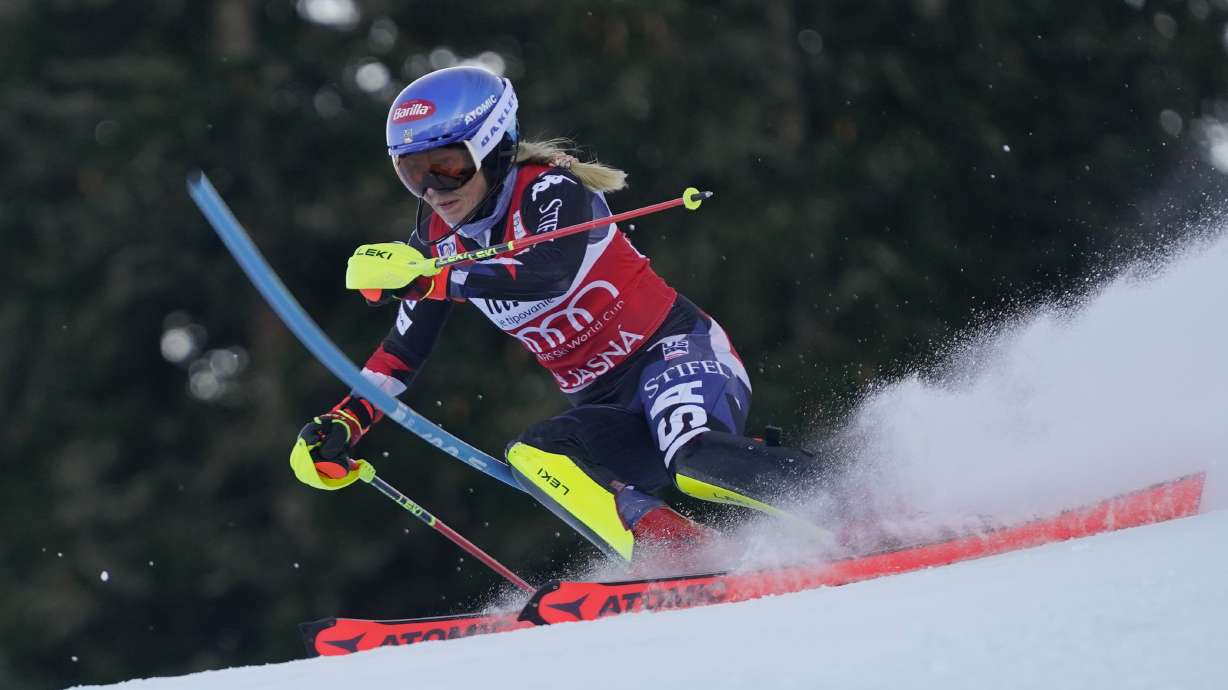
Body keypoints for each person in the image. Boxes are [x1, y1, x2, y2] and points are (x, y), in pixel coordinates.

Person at [288, 65, 829, 565]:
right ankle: (683, 560)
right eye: (413, 174)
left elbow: (550, 273)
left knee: (694, 459)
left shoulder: (549, 190)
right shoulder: (436, 241)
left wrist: (433, 278)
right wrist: (345, 420)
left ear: (491, 149)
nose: (433, 191)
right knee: (537, 457)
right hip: (608, 404)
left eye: (447, 168)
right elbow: (403, 351)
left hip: (675, 354)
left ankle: (850, 506)